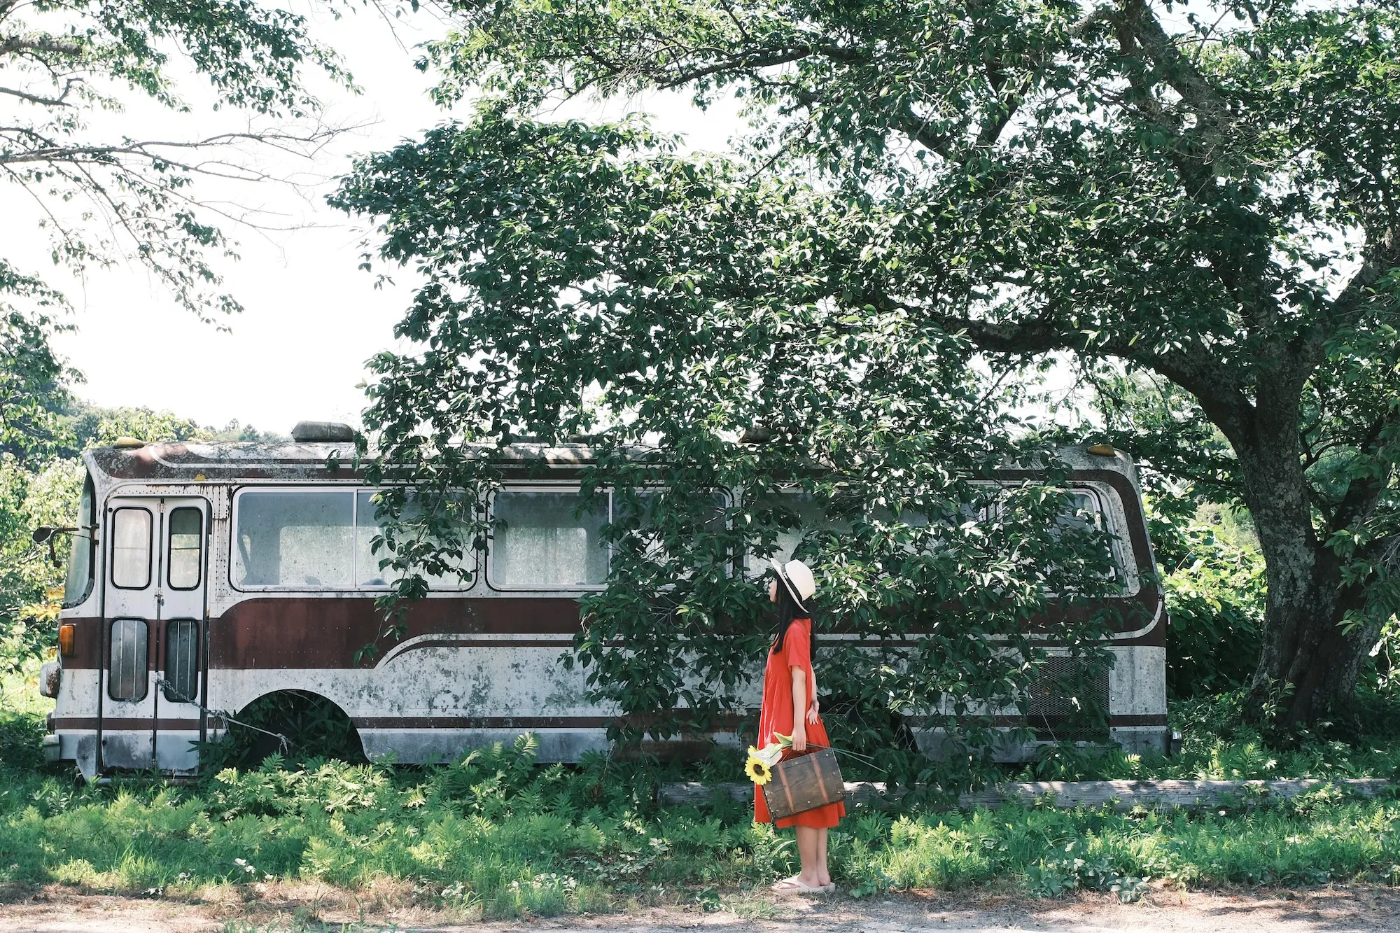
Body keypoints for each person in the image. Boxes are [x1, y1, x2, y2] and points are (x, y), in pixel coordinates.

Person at [754, 557, 845, 894]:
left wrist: (797, 729)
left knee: (803, 799)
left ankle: (808, 877)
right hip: (802, 718)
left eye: (774, 580)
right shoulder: (800, 627)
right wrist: (815, 698)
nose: (769, 585)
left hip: (794, 725)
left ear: (787, 592)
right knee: (814, 799)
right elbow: (808, 669)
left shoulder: (792, 629)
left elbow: (797, 676)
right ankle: (820, 876)